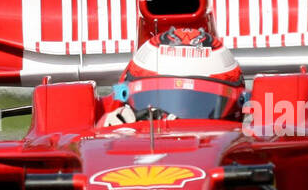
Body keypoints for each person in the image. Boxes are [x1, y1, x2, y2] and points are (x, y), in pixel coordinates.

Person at [100, 26, 246, 125]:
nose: (174, 121)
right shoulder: (114, 126)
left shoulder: (255, 134)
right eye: (157, 110)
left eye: (198, 106)